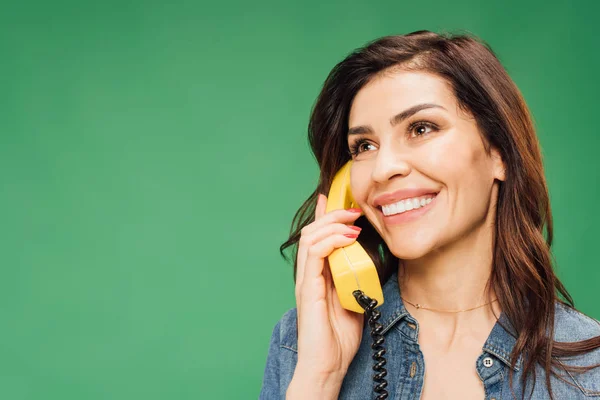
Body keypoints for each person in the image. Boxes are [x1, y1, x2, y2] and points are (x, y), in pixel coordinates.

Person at [259, 30, 600, 400]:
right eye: (364, 146)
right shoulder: (301, 344)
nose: (382, 169)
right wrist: (320, 378)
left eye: (421, 128)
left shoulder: (591, 371)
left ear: (498, 152)